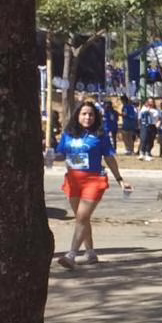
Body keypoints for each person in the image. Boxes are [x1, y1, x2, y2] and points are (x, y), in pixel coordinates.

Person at [54, 100, 133, 269]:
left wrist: (120, 179)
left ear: (96, 117)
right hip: (73, 180)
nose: (87, 117)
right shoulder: (68, 134)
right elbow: (61, 154)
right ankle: (90, 252)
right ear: (77, 116)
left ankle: (71, 255)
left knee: (82, 217)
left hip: (94, 180)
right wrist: (50, 157)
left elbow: (109, 158)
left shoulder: (100, 136)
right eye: (84, 114)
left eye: (91, 114)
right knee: (82, 218)